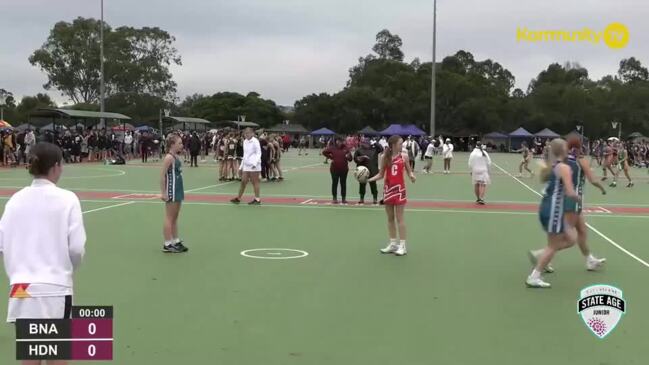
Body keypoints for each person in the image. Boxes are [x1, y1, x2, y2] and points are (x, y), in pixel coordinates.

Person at [1, 142, 86, 365]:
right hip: (55, 286)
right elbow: (76, 248)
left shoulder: (15, 200)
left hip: (21, 287)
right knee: (57, 354)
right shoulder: (68, 199)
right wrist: (66, 269)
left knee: (30, 354)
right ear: (56, 166)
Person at [525, 138, 580, 288]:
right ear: (564, 150)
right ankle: (534, 276)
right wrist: (578, 198)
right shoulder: (563, 167)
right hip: (553, 209)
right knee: (553, 245)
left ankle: (541, 255)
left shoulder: (554, 166)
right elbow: (569, 191)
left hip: (548, 207)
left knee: (571, 238)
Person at [368, 135, 416, 256]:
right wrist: (368, 180)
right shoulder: (385, 157)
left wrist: (411, 176)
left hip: (399, 190)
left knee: (400, 218)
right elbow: (380, 174)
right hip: (388, 190)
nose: (402, 145)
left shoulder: (404, 156)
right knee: (390, 218)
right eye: (400, 143)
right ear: (393, 145)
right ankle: (393, 243)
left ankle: (403, 246)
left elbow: (409, 171)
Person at [159, 134, 188, 253]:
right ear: (172, 145)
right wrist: (163, 192)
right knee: (169, 217)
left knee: (175, 217)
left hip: (178, 188)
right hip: (172, 189)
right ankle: (167, 243)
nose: (181, 145)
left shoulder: (175, 157)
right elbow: (162, 176)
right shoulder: (169, 158)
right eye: (179, 143)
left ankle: (175, 240)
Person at [231, 128, 262, 205]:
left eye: (248, 133)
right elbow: (245, 155)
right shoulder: (245, 141)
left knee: (255, 182)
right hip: (246, 165)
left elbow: (259, 153)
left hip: (254, 166)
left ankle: (257, 199)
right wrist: (241, 167)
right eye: (245, 133)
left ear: (252, 133)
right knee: (243, 182)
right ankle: (238, 198)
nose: (246, 134)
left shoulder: (255, 141)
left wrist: (255, 164)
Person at [322, 137, 352, 204]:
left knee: (343, 184)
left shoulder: (346, 148)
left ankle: (343, 199)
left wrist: (348, 157)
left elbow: (351, 159)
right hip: (334, 169)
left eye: (341, 141)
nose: (340, 142)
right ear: (336, 141)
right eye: (338, 141)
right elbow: (324, 152)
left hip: (344, 169)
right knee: (334, 183)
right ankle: (334, 198)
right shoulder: (332, 147)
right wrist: (331, 157)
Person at [354, 139, 382, 205]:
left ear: (369, 143)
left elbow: (381, 149)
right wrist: (361, 158)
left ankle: (375, 199)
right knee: (362, 185)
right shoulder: (359, 150)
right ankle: (361, 198)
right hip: (362, 171)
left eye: (367, 143)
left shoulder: (374, 149)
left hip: (372, 170)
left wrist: (375, 142)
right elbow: (355, 158)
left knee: (373, 185)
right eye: (363, 143)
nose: (365, 144)